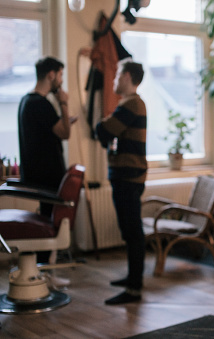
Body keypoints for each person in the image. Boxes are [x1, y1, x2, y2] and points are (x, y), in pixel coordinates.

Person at [95, 60, 147, 305]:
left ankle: (134, 289)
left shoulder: (132, 104)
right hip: (124, 177)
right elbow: (107, 134)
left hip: (128, 178)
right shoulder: (127, 105)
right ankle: (131, 278)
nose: (114, 79)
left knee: (133, 232)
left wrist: (102, 126)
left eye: (117, 74)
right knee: (129, 231)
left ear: (127, 76)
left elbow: (104, 132)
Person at [18, 56, 77, 218]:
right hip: (47, 176)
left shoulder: (26, 100)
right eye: (60, 75)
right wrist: (63, 103)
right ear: (51, 75)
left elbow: (46, 131)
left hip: (38, 174)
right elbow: (65, 134)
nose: (61, 81)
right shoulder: (41, 103)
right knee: (52, 219)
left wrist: (65, 121)